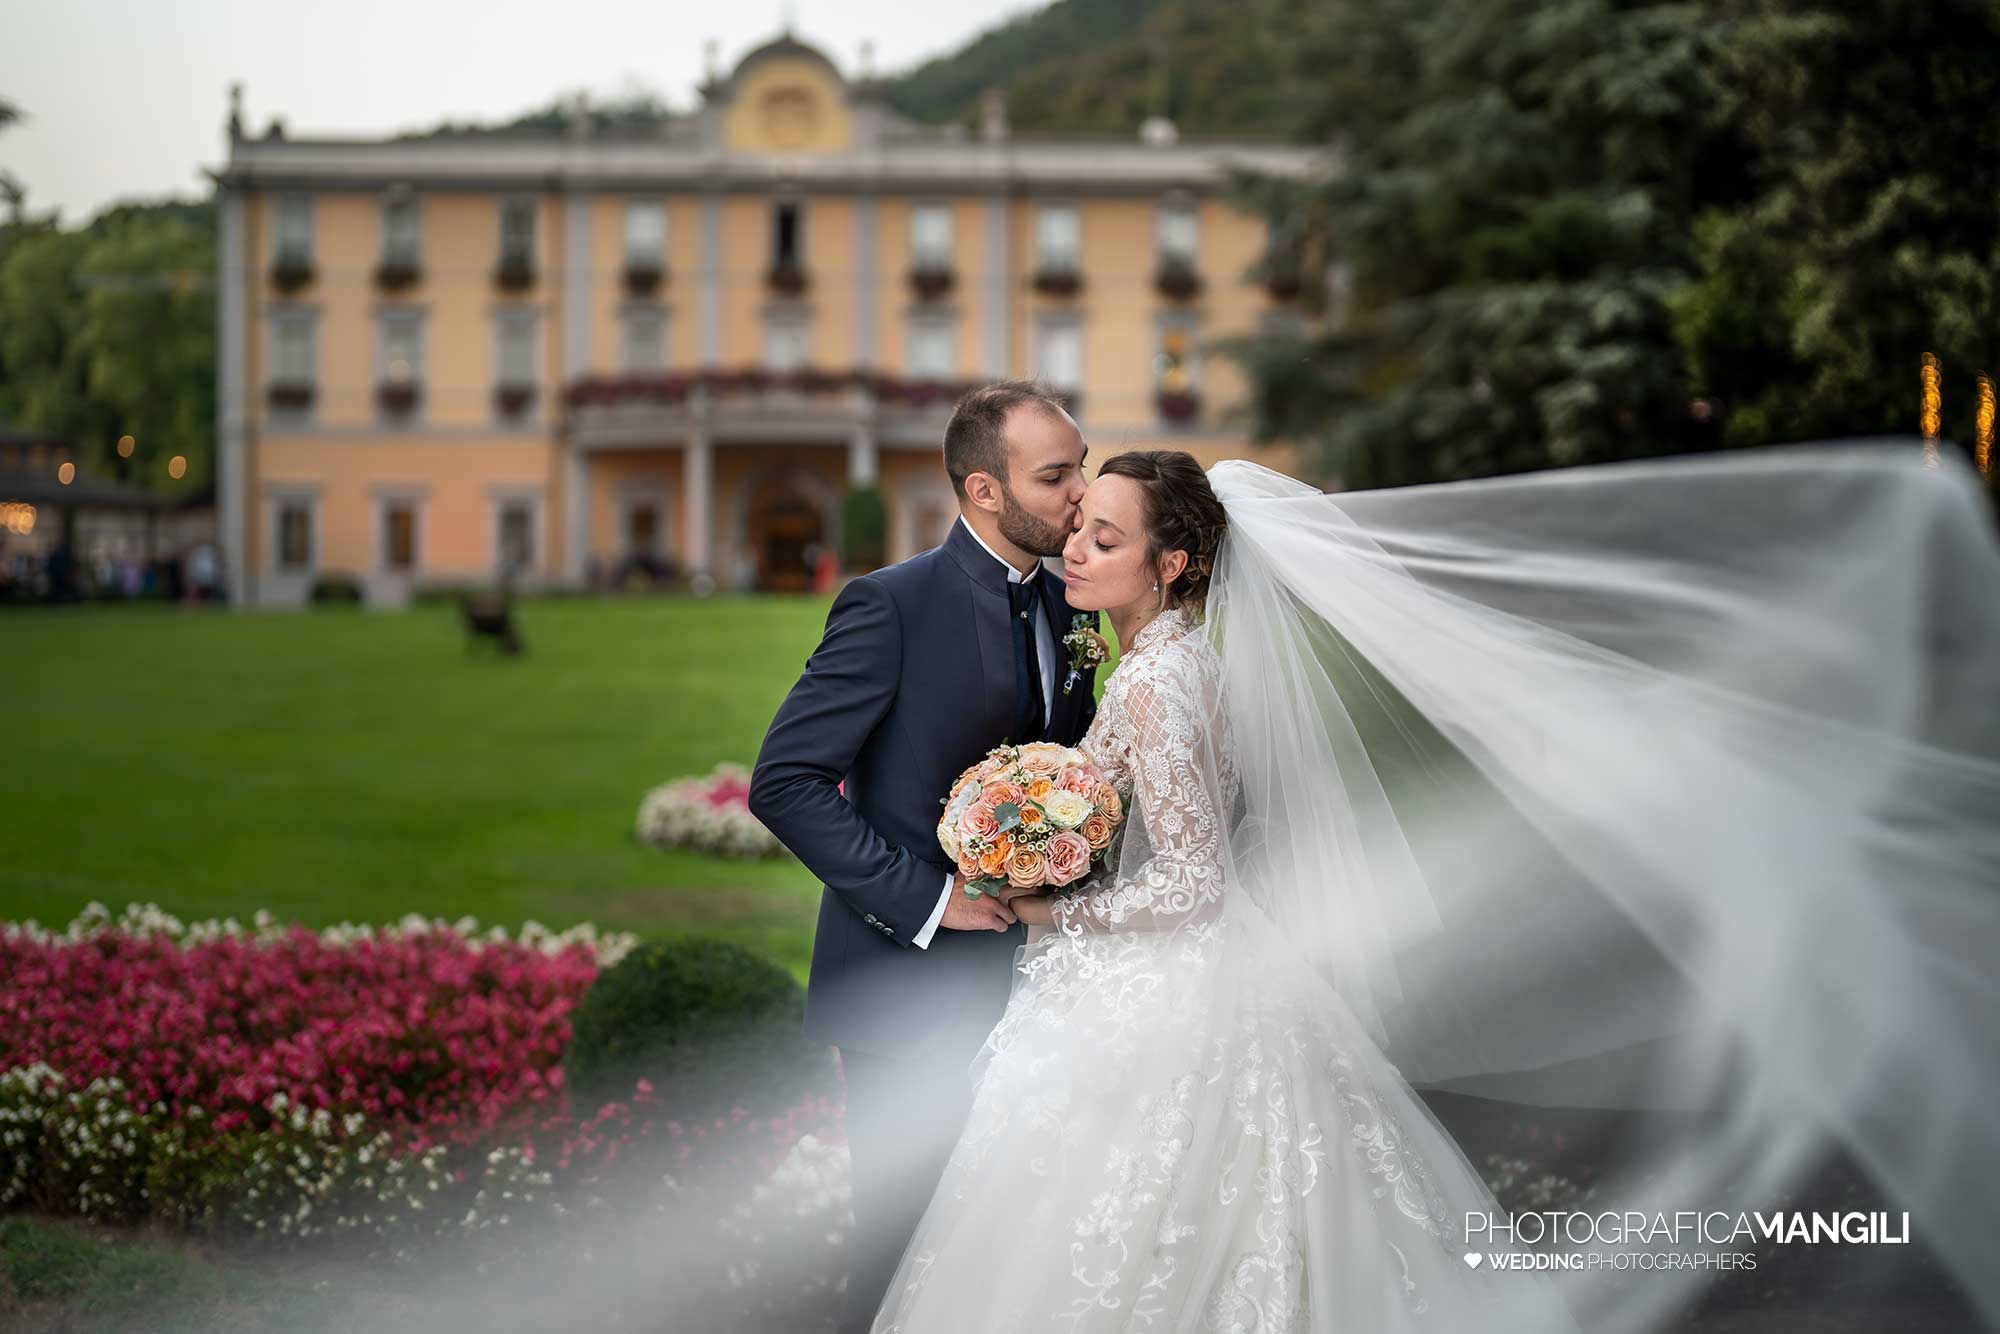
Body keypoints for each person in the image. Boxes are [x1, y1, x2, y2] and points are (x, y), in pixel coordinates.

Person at [869, 445, 2000, 1333]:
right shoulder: (1172, 664)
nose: (1074, 547)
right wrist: (1032, 829)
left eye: (1104, 537)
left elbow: (1197, 882)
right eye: (1078, 527)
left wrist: (1050, 905)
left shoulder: (1159, 685)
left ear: (1172, 566)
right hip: (1191, 978)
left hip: (1170, 980)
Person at [749, 381, 1104, 1334]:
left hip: (1036, 987)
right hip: (904, 994)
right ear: (984, 490)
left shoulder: (1073, 605)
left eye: (1080, 467)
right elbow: (784, 783)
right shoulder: (890, 605)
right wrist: (932, 900)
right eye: (1056, 476)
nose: (1081, 493)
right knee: (902, 1250)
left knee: (1005, 1245)